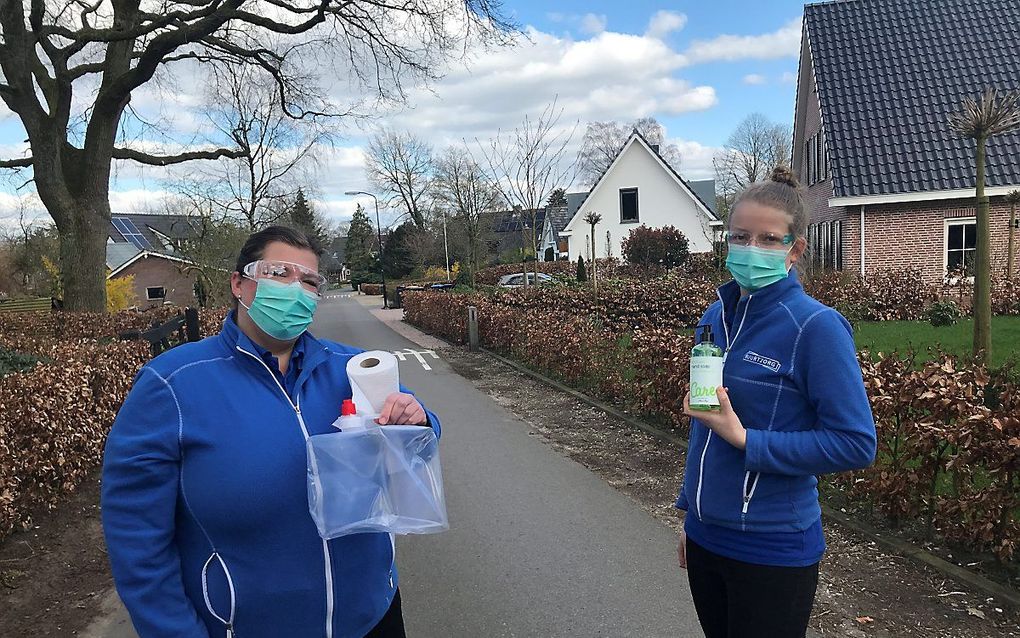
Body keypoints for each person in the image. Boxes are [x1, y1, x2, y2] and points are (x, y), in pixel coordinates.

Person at [102, 226, 437, 638]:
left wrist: (417, 420)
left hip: (373, 618)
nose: (296, 289)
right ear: (239, 283)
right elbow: (137, 542)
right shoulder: (172, 384)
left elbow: (420, 434)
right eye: (279, 272)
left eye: (310, 281)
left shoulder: (352, 367)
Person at [675, 167, 876, 638]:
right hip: (707, 540)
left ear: (794, 249)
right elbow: (703, 424)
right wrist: (689, 512)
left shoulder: (816, 327)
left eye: (768, 239)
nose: (751, 249)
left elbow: (855, 443)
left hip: (772, 549)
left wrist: (747, 440)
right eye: (740, 236)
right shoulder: (715, 317)